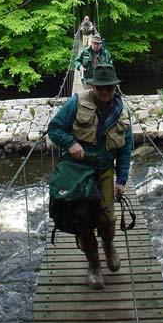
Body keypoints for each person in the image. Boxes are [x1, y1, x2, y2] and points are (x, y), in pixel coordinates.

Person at [48, 64, 132, 289]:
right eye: (100, 88)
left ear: (115, 87)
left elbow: (125, 149)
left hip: (104, 170)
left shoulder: (122, 112)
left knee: (107, 219)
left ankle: (108, 244)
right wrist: (71, 143)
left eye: (109, 88)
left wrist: (121, 180)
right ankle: (93, 264)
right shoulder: (75, 102)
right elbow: (54, 129)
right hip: (78, 171)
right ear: (92, 86)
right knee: (82, 220)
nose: (105, 92)